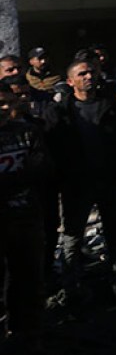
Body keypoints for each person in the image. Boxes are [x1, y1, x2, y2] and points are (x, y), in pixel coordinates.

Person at [46, 60, 116, 297]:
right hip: (76, 184)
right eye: (82, 74)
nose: (89, 76)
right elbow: (51, 148)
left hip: (108, 180)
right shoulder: (59, 112)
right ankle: (71, 288)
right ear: (70, 81)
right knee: (72, 237)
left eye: (91, 72)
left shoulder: (111, 106)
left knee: (115, 232)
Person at [0, 75, 50, 338]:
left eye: (9, 103)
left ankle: (29, 342)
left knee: (29, 283)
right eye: (0, 104)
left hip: (26, 218)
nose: (6, 109)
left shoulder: (27, 132)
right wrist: (20, 178)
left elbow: (41, 170)